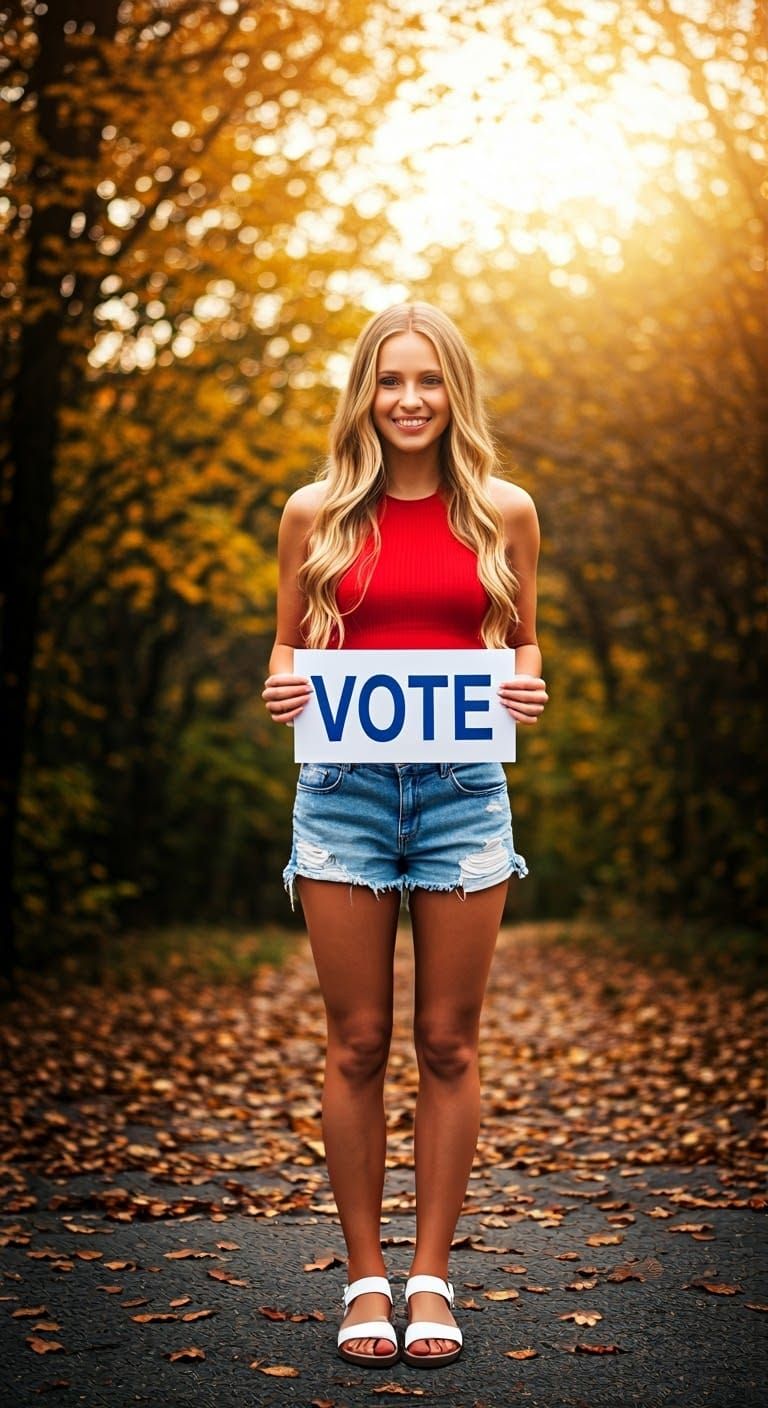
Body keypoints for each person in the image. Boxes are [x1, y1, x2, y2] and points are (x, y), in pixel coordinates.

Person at [262, 301, 548, 1369]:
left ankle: (431, 1273)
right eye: (392, 380)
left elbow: (522, 649)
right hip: (340, 788)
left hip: (463, 792)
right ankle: (365, 1278)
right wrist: (283, 685)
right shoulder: (315, 513)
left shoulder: (506, 512)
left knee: (448, 1042)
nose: (411, 399)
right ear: (366, 394)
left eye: (429, 380)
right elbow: (286, 653)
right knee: (357, 1042)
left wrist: (526, 689)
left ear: (454, 392)